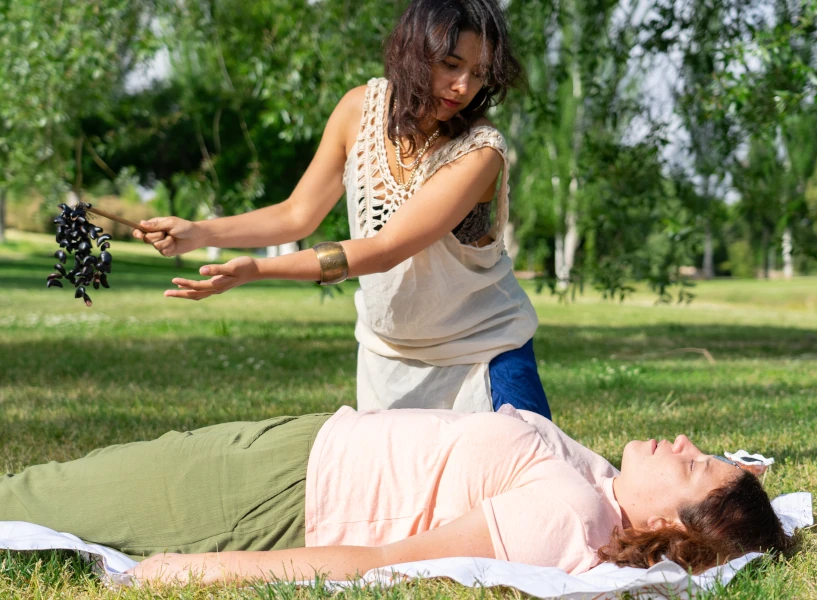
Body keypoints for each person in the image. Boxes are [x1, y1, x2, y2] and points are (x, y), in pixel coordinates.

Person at [132, 0, 552, 419]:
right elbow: (298, 214)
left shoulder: (480, 151)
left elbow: (385, 250)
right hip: (386, 357)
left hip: (483, 350)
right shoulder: (358, 110)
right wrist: (200, 232)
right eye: (451, 64)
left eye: (478, 73)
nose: (462, 86)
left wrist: (259, 269)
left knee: (525, 464)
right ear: (414, 51)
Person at [0, 406, 793, 585]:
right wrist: (739, 485)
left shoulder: (568, 515)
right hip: (292, 450)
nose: (682, 443)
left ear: (663, 522)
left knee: (31, 498)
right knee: (50, 485)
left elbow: (384, 562)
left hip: (261, 498)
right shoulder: (597, 482)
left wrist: (200, 572)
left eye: (693, 465)